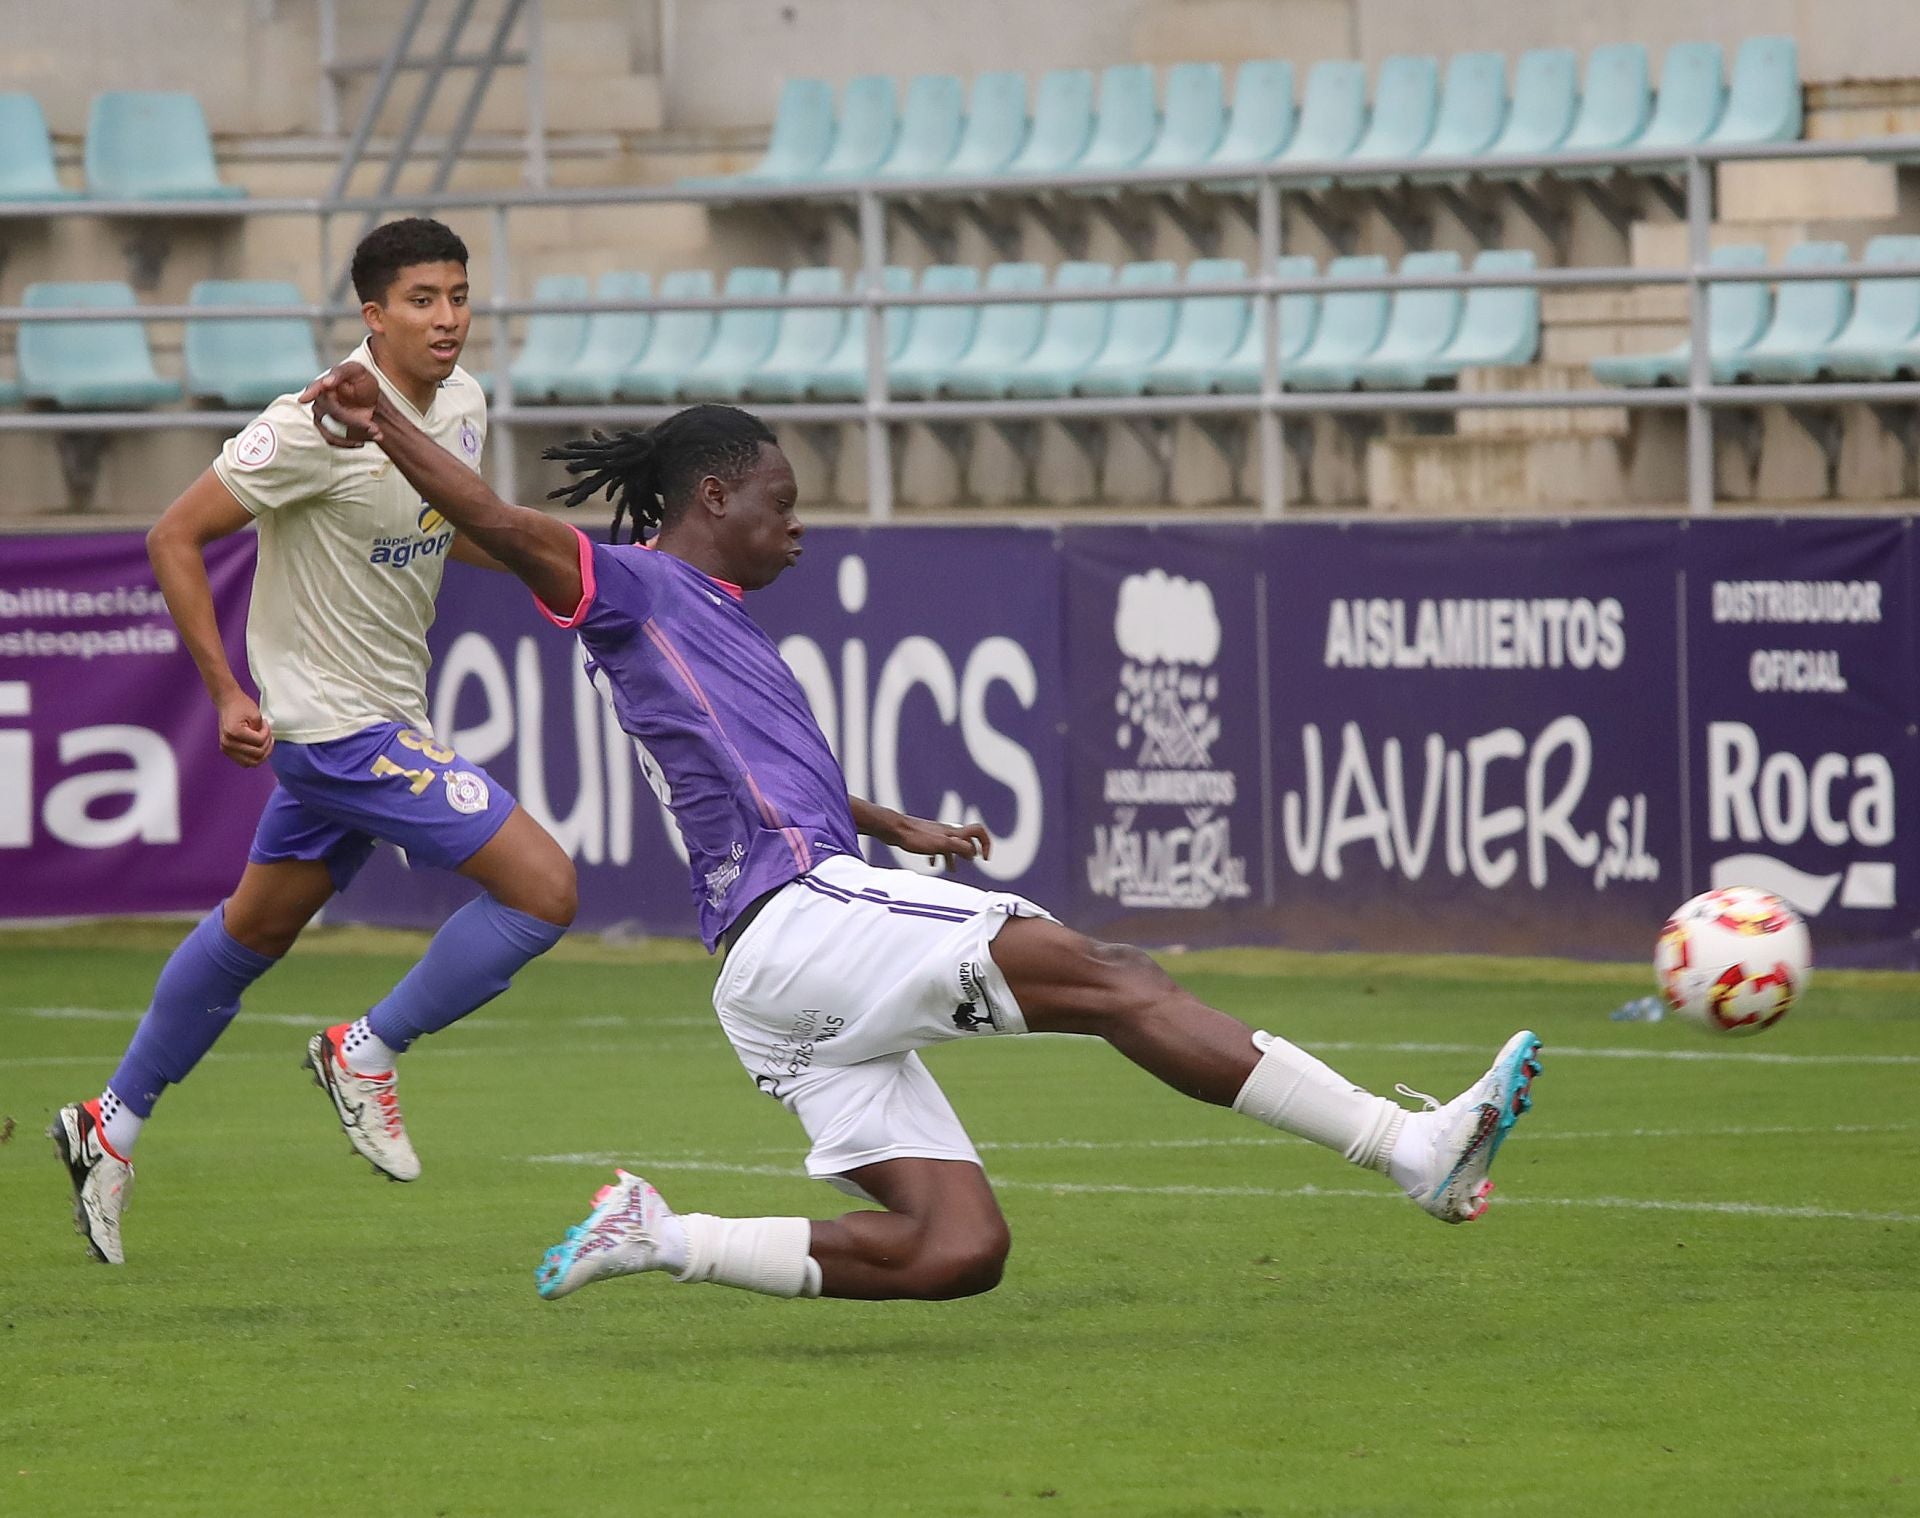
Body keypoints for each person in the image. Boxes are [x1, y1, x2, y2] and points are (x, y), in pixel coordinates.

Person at [301, 366, 1542, 1306]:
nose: (801, 526)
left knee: (959, 1249)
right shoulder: (633, 584)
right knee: (1114, 977)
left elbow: (752, 773)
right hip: (802, 920)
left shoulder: (706, 618)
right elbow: (504, 524)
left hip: (767, 981)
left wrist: (890, 822)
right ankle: (1408, 1148)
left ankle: (660, 1235)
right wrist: (389, 424)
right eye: (782, 504)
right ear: (713, 495)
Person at [50, 219, 577, 1267]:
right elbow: (174, 535)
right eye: (422, 299)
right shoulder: (311, 427)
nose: (448, 317)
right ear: (373, 317)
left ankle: (110, 1124)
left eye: (460, 295)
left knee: (252, 932)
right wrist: (223, 689)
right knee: (543, 888)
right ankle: (365, 1048)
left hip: (384, 716)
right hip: (337, 731)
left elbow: (440, 524)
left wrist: (542, 562)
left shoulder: (461, 403)